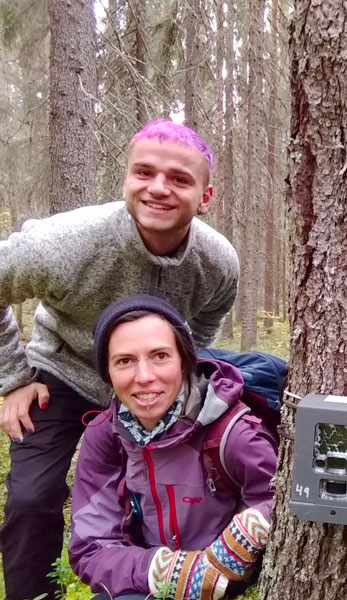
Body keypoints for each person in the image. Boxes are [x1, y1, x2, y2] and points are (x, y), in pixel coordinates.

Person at [0, 119, 239, 600]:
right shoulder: (66, 243)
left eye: (178, 179)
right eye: (144, 173)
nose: (158, 189)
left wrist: (178, 378)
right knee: (32, 497)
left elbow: (206, 322)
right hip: (63, 373)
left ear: (205, 196)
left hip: (154, 385)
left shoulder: (218, 262)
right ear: (126, 178)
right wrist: (13, 377)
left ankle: (162, 578)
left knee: (170, 493)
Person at [69, 295, 276, 600]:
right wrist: (161, 569)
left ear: (184, 361)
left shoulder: (231, 431)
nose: (144, 377)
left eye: (160, 356)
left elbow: (282, 503)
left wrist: (253, 525)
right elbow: (91, 546)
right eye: (124, 361)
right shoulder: (106, 436)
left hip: (227, 580)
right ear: (107, 373)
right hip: (148, 577)